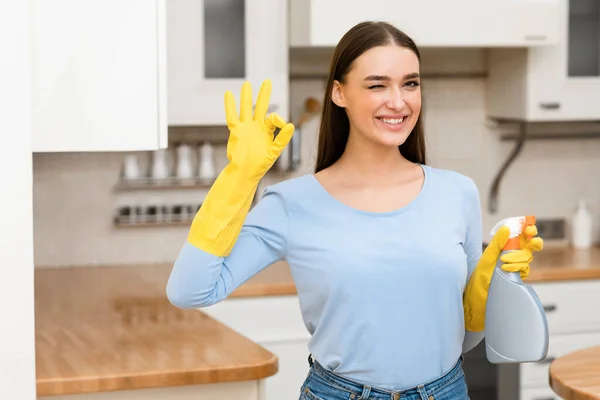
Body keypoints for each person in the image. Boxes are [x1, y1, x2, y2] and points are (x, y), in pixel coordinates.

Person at [166, 21, 543, 400]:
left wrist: (493, 279)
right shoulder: (293, 204)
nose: (398, 101)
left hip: (446, 391)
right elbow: (190, 290)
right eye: (377, 84)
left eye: (410, 83)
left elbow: (466, 337)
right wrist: (239, 177)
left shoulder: (457, 192)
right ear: (339, 93)